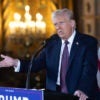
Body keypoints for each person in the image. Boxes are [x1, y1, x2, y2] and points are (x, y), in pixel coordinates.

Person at [0, 8, 98, 100]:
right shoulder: (52, 42)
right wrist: (15, 62)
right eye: (55, 24)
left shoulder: (88, 43)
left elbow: (89, 71)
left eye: (61, 23)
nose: (58, 27)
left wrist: (82, 89)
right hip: (54, 95)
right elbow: (36, 64)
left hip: (79, 95)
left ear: (72, 23)